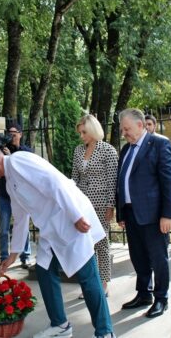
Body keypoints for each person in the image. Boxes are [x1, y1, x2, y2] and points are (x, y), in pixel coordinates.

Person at [0, 145, 116, 338]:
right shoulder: (9, 183)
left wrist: (75, 216)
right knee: (43, 269)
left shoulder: (19, 161)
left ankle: (105, 332)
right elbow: (21, 218)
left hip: (70, 219)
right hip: (52, 230)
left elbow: (55, 182)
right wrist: (12, 255)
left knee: (87, 276)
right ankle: (60, 325)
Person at [116, 108, 171, 319]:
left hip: (153, 215)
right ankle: (144, 294)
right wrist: (121, 212)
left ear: (140, 125)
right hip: (131, 214)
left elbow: (169, 182)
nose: (124, 133)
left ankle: (161, 298)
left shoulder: (159, 144)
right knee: (138, 257)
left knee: (158, 258)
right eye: (123, 129)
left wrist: (167, 215)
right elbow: (121, 181)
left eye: (127, 129)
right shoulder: (125, 149)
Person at [71, 114, 118, 298]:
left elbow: (113, 181)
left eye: (84, 132)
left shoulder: (107, 150)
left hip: (100, 204)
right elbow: (74, 178)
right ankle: (91, 283)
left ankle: (104, 284)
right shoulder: (77, 151)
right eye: (80, 132)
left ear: (93, 130)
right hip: (82, 204)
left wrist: (110, 206)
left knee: (101, 243)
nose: (81, 136)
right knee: (85, 245)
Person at [0, 123, 32, 269]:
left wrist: (11, 158)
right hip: (4, 194)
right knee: (3, 228)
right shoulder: (1, 150)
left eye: (14, 133)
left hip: (19, 195)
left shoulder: (25, 151)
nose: (11, 136)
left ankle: (25, 256)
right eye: (9, 133)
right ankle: (3, 258)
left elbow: (25, 170)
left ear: (20, 134)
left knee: (23, 225)